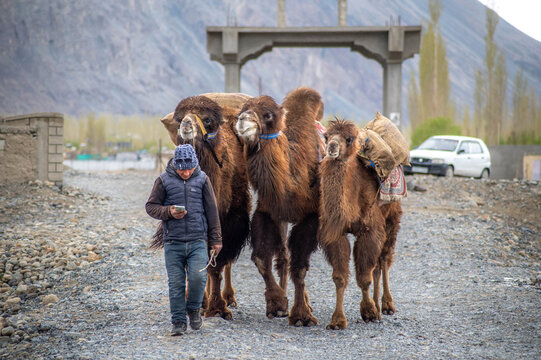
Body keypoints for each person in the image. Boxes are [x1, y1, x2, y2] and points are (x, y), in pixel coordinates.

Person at [145, 144, 222, 336]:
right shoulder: (163, 180)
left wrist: (216, 240)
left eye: (190, 168)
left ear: (195, 165)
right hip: (173, 242)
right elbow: (151, 206)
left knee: (198, 278)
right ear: (175, 165)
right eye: (182, 169)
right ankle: (178, 321)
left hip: (198, 240)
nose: (186, 173)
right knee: (176, 283)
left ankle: (194, 310)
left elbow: (212, 212)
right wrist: (168, 212)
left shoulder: (203, 179)